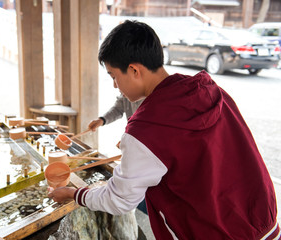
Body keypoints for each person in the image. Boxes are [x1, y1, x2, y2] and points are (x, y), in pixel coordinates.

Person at [48, 20, 280, 239]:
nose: (115, 85)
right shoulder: (211, 91)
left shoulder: (145, 129)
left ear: (134, 70)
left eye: (114, 76)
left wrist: (73, 193)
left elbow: (119, 199)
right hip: (262, 221)